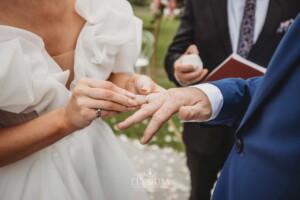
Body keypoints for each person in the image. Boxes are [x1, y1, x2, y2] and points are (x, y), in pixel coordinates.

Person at [118, 13, 300, 200]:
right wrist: (184, 74)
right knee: (198, 192)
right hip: (202, 127)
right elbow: (175, 51)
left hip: (265, 141)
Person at [0, 0, 163, 199]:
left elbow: (109, 75)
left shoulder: (100, 6)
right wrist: (65, 119)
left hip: (97, 161)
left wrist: (131, 84)